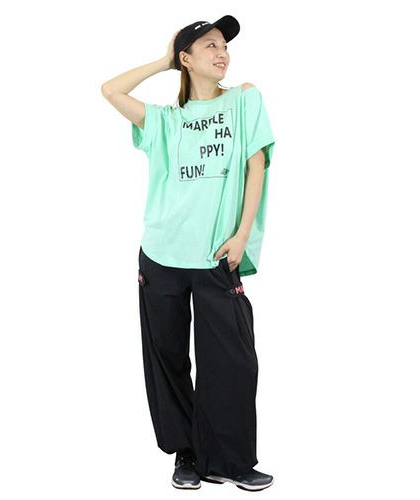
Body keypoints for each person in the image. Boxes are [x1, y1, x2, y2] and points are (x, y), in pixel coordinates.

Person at [101, 15, 275, 492]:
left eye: (225, 46)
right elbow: (110, 90)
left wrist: (242, 234)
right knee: (169, 358)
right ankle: (187, 454)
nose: (223, 53)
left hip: (218, 255)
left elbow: (256, 164)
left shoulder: (245, 99)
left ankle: (232, 461)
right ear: (187, 58)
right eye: (210, 45)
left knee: (233, 362)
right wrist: (164, 61)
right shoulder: (164, 120)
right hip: (161, 255)